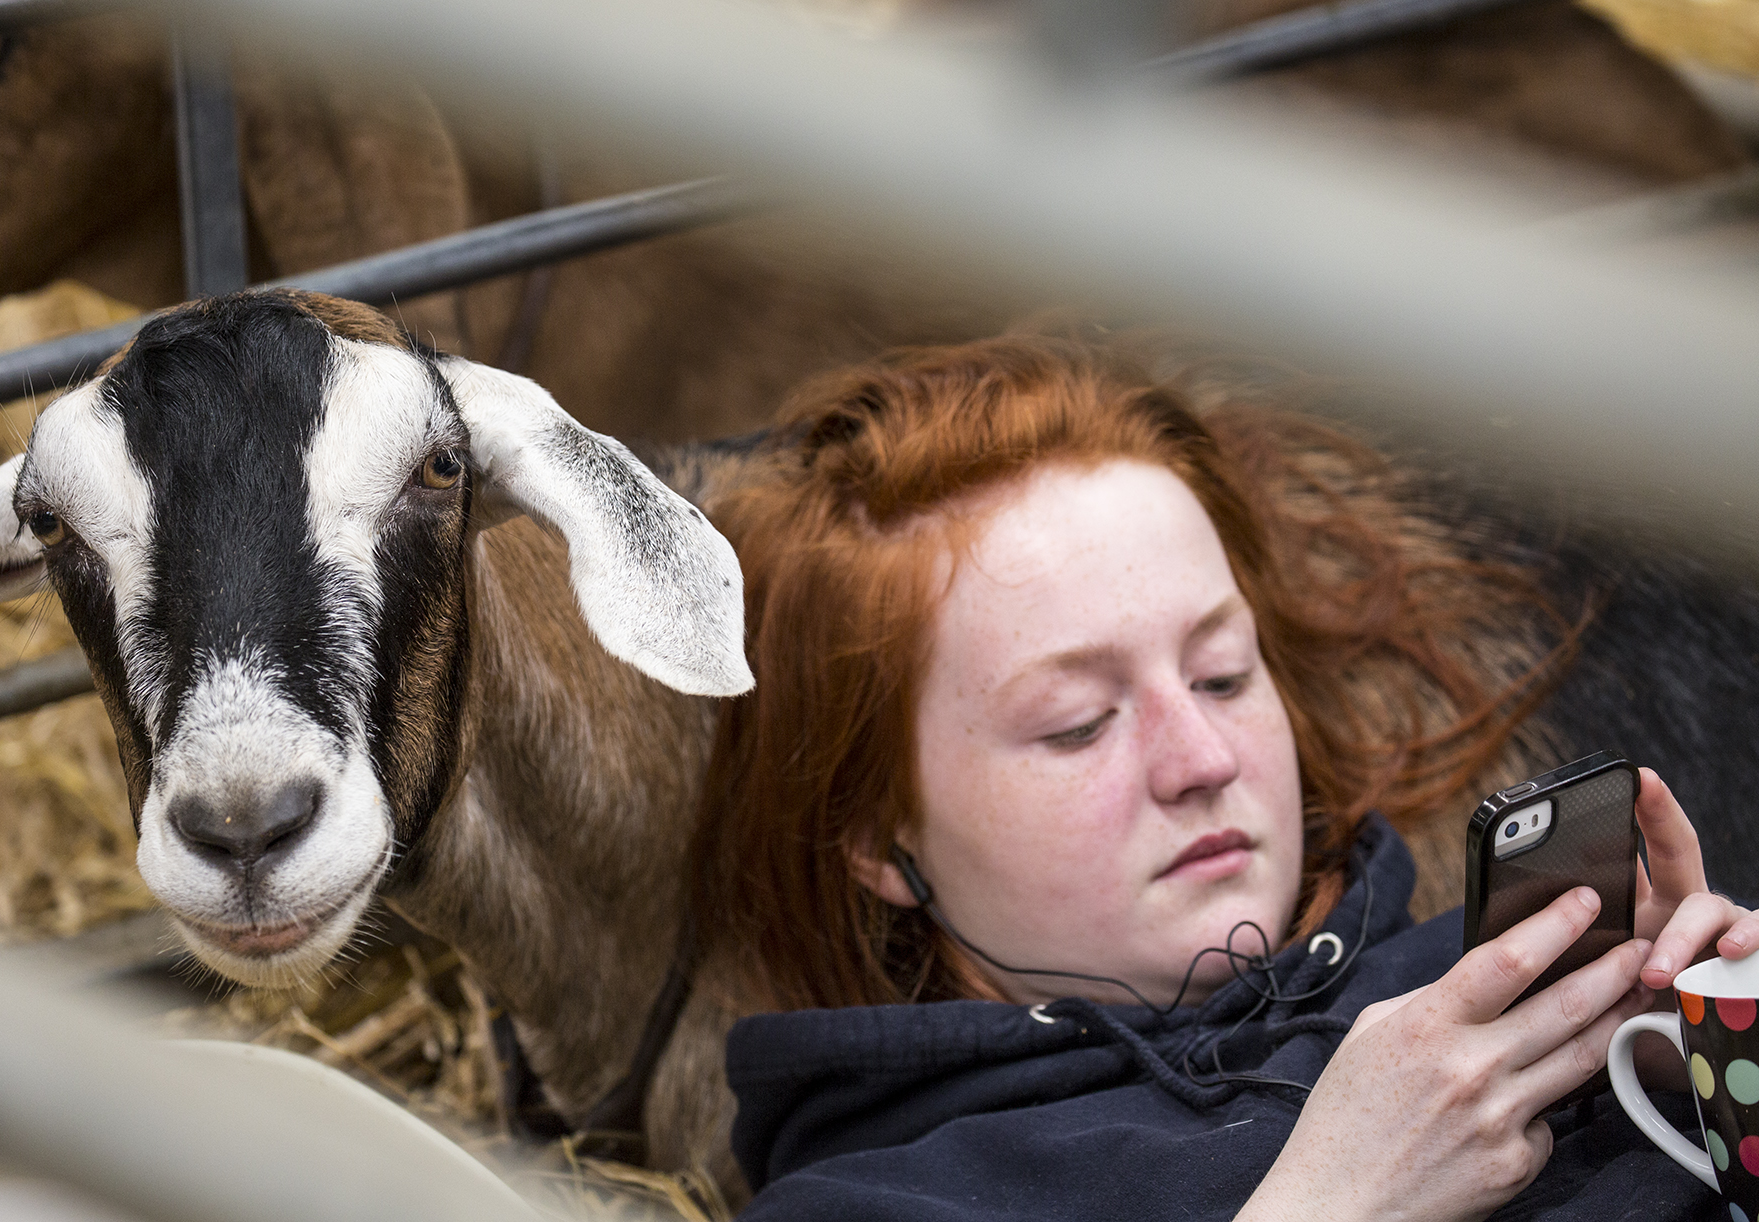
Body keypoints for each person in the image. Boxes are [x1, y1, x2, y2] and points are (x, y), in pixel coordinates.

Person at [689, 330, 1759, 1221]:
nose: (1201, 762)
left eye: (1219, 672)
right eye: (1075, 725)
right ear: (881, 838)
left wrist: (1703, 1073)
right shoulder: (874, 1203)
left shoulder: (1490, 985)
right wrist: (1329, 1200)